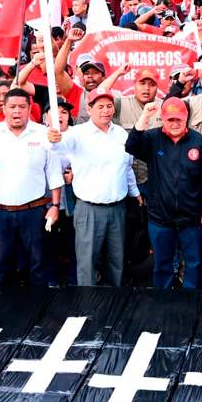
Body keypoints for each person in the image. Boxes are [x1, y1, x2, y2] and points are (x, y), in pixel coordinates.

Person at [0, 88, 63, 288]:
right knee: (0, 265)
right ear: (3, 108)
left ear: (29, 109)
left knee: (38, 264)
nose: (17, 111)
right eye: (12, 107)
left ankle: (37, 311)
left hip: (34, 211)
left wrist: (55, 206)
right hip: (0, 213)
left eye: (22, 107)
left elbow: (53, 173)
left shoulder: (44, 134)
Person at [48, 87, 142, 287]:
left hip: (117, 208)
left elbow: (127, 168)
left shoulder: (121, 135)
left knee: (117, 262)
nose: (105, 110)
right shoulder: (77, 133)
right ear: (89, 109)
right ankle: (87, 306)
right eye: (100, 106)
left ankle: (114, 303)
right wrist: (54, 141)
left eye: (109, 106)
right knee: (87, 263)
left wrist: (135, 192)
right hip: (89, 210)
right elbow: (59, 149)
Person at [125, 99, 202, 289]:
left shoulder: (198, 141)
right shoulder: (152, 138)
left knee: (194, 265)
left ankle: (192, 303)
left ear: (186, 117)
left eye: (179, 119)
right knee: (162, 267)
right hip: (160, 219)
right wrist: (144, 117)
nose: (175, 123)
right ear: (162, 119)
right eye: (170, 119)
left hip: (191, 219)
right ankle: (163, 305)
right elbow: (131, 146)